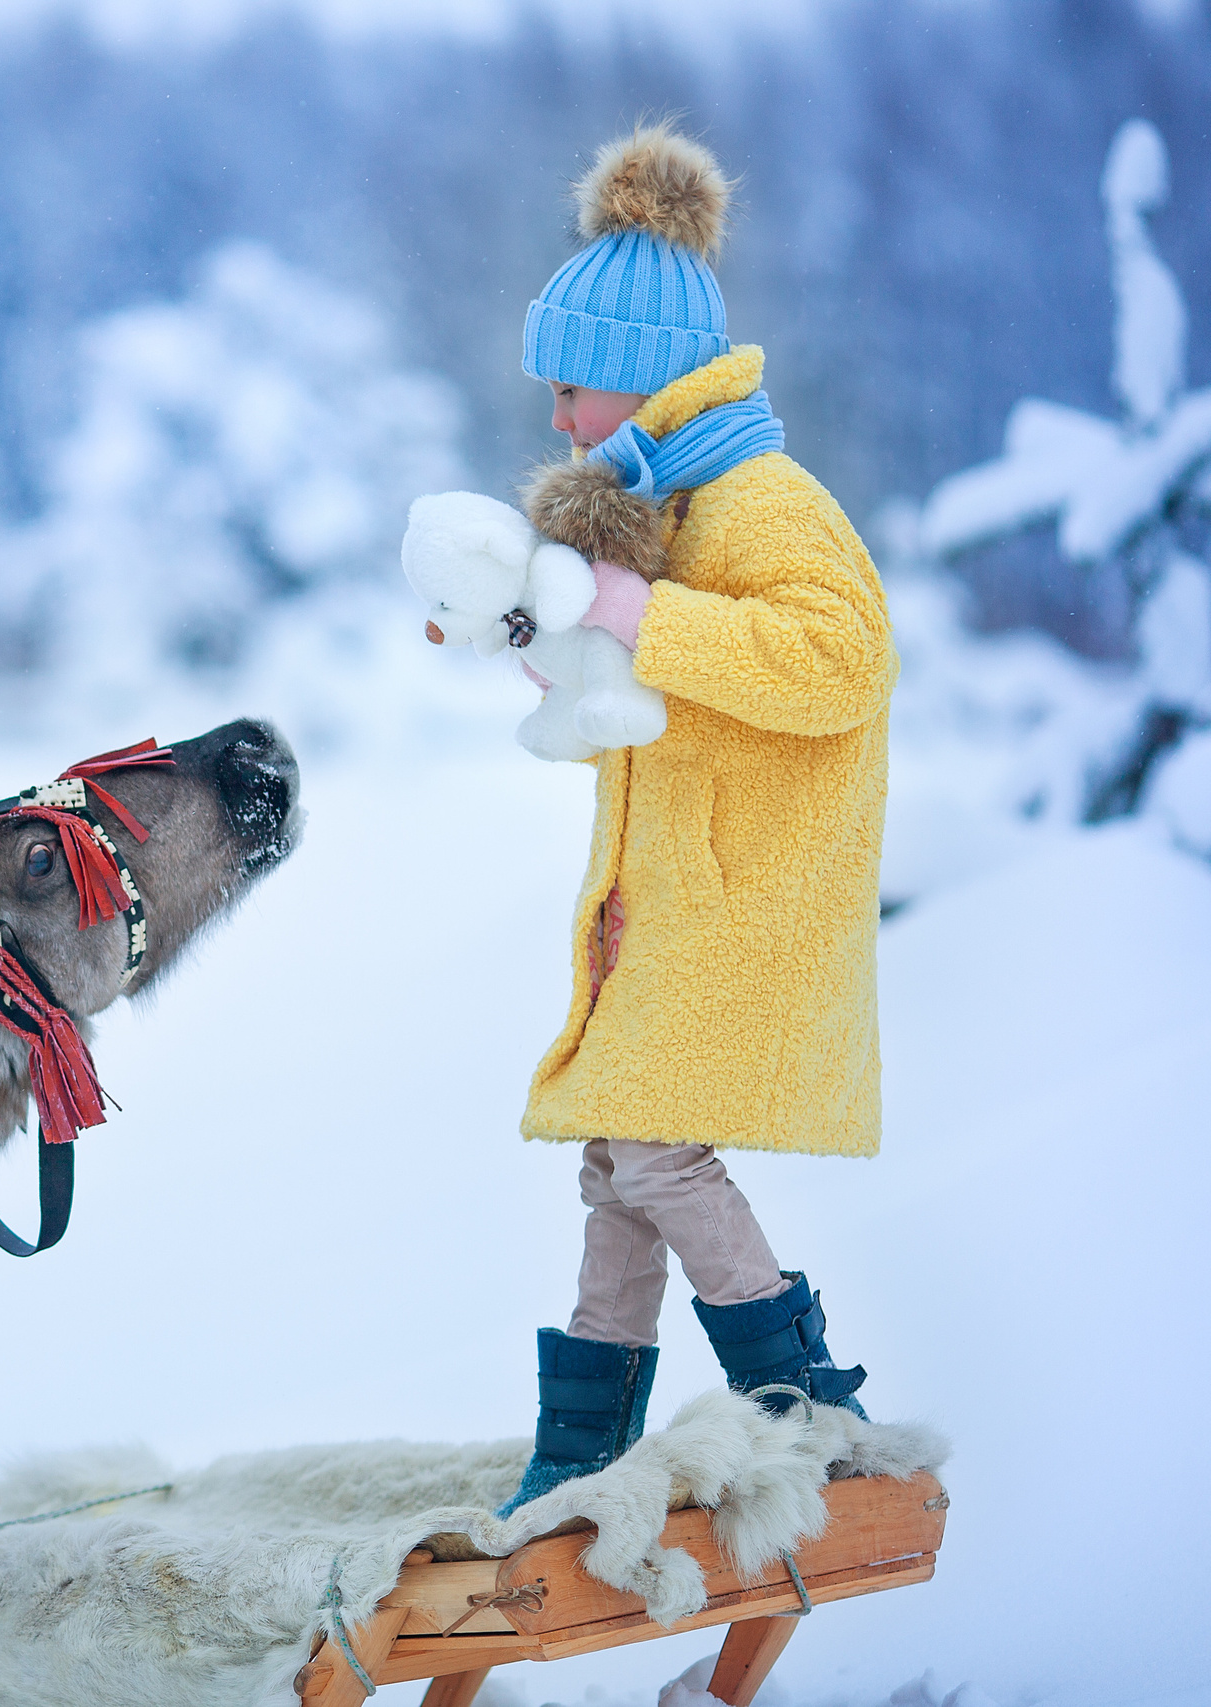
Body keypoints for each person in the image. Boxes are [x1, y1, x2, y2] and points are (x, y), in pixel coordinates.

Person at [494, 124, 899, 1515]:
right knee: (620, 1162)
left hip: (739, 904)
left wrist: (638, 614)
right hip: (662, 905)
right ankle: (582, 1449)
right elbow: (670, 700)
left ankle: (806, 1414)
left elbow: (841, 661)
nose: (560, 419)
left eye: (571, 387)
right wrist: (569, 648)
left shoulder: (761, 502)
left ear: (642, 373)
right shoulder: (673, 500)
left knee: (659, 1152)